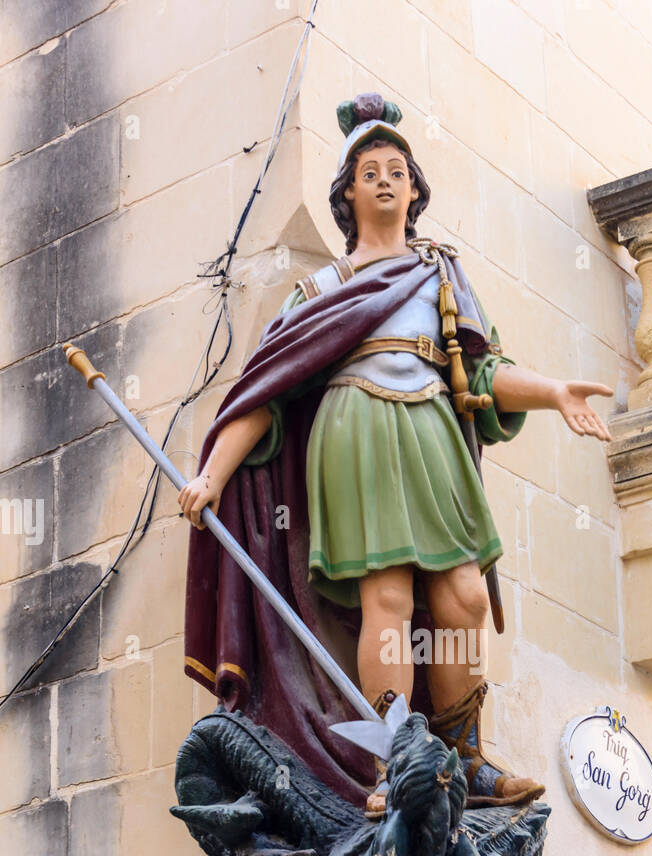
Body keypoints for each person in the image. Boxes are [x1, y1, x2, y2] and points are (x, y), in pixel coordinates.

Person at [180, 93, 612, 817]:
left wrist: (552, 389)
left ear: (414, 190)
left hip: (434, 432)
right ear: (347, 193)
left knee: (464, 599)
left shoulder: (442, 275)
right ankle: (390, 762)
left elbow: (478, 373)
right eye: (368, 171)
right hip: (359, 432)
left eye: (396, 170)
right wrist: (210, 476)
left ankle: (462, 758)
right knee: (387, 599)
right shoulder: (320, 290)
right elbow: (264, 391)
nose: (383, 179)